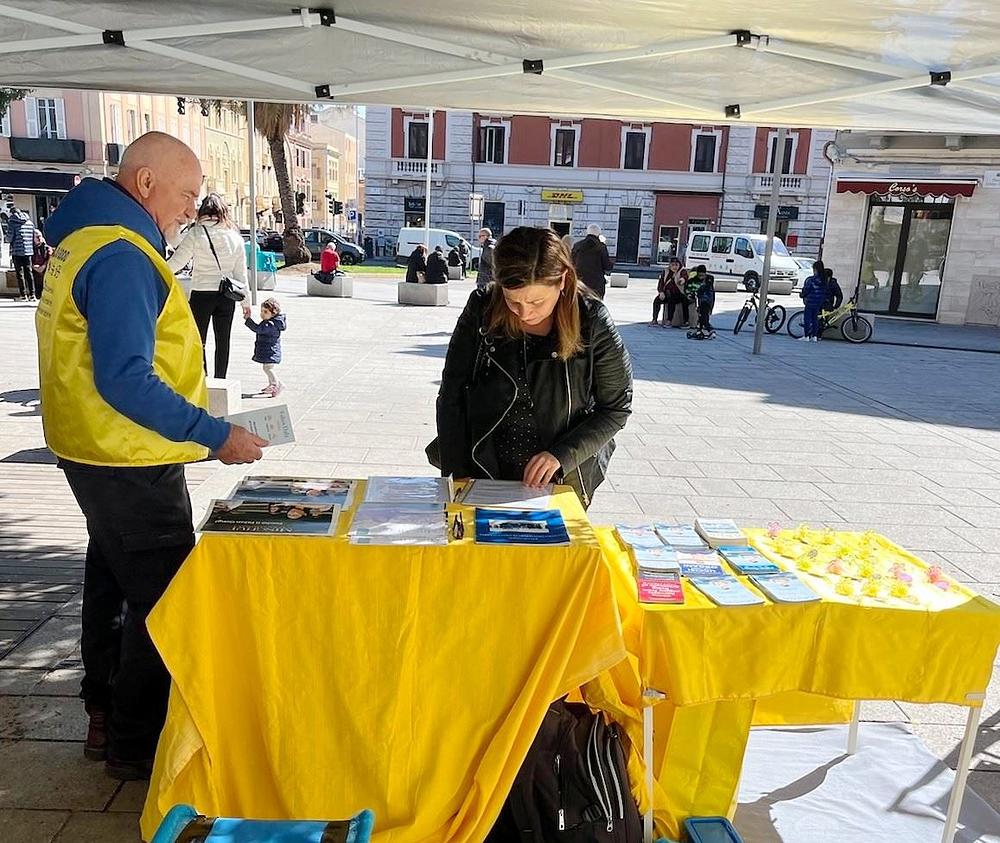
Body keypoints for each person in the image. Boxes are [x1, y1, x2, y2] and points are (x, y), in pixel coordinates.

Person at [36, 132, 266, 781]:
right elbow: (126, 378)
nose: (192, 210)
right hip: (129, 458)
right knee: (166, 602)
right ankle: (136, 743)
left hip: (94, 449)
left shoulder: (85, 240)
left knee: (111, 585)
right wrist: (215, 434)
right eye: (187, 194)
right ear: (144, 183)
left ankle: (105, 715)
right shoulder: (123, 255)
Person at [433, 226, 632, 509]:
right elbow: (451, 395)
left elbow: (615, 408)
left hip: (562, 475)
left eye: (536, 301)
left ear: (563, 280)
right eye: (512, 300)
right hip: (483, 465)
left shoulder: (592, 320)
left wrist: (561, 455)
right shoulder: (482, 308)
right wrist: (456, 473)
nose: (524, 313)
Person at [167, 193, 247, 378]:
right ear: (223, 213)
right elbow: (241, 273)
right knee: (223, 341)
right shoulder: (234, 237)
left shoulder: (196, 233)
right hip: (227, 294)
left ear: (202, 211)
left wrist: (157, 269)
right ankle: (221, 379)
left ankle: (202, 377)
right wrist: (246, 303)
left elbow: (178, 261)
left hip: (202, 293)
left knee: (198, 339)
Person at [242, 297, 287, 396]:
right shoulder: (272, 322)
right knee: (267, 368)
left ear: (273, 313)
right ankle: (275, 384)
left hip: (270, 351)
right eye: (261, 311)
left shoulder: (270, 324)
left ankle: (275, 385)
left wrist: (248, 320)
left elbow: (258, 329)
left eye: (265, 312)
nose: (262, 314)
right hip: (269, 350)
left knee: (268, 368)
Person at [571, 223, 613, 299]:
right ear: (598, 234)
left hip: (580, 283)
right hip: (596, 285)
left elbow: (571, 262)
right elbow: (607, 266)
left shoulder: (577, 245)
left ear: (587, 232)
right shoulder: (601, 247)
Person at [7, 206, 36, 301]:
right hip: (28, 251)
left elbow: (9, 238)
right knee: (29, 273)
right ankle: (32, 295)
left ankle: (23, 295)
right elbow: (33, 237)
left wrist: (7, 239)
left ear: (12, 213)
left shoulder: (12, 223)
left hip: (17, 251)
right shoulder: (30, 223)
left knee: (20, 274)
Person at [800, 260, 829, 342]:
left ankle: (806, 336)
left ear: (815, 269)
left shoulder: (811, 280)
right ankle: (815, 336)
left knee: (807, 319)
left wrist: (802, 295)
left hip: (810, 301)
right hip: (818, 302)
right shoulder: (824, 280)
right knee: (815, 319)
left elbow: (806, 290)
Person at [653, 258, 688, 327]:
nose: (674, 267)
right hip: (666, 293)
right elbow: (661, 282)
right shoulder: (666, 271)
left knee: (672, 299)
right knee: (657, 300)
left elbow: (685, 277)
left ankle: (670, 321)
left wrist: (682, 280)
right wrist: (661, 292)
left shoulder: (682, 271)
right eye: (672, 265)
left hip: (679, 294)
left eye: (676, 265)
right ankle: (654, 319)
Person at [30, 228, 53, 299]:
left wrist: (43, 266)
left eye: (40, 236)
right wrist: (33, 266)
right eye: (37, 237)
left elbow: (50, 257)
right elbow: (28, 260)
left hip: (45, 267)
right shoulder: (30, 248)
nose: (39, 238)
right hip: (34, 268)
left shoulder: (46, 247)